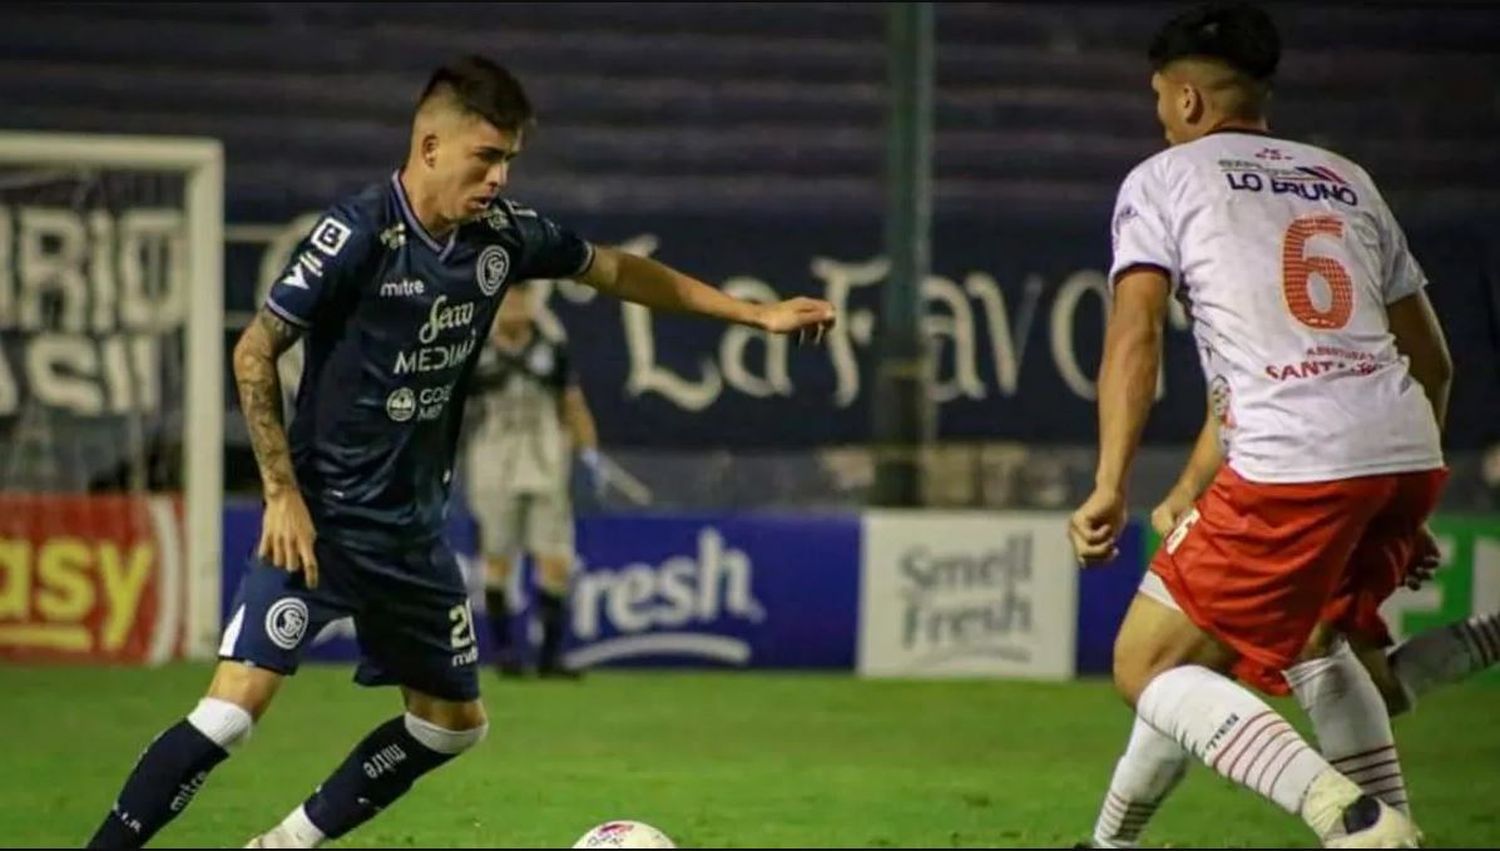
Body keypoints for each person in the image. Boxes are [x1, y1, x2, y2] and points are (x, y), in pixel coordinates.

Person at [85, 54, 834, 850]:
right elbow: (253, 351)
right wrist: (281, 491)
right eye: (487, 157)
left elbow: (616, 270)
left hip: (411, 537)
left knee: (451, 726)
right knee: (232, 711)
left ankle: (282, 845)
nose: (500, 178)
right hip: (320, 526)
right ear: (431, 145)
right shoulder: (357, 233)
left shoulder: (503, 239)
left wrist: (755, 316)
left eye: (509, 160)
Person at [1067, 3, 1452, 847]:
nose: (1162, 116)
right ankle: (1393, 825)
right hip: (1402, 441)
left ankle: (1347, 817)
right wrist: (1403, 493)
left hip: (1295, 459)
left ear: (1189, 101)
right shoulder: (1345, 177)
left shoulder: (1166, 177)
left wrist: (1108, 485)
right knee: (1322, 638)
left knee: (1151, 665)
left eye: (1161, 99)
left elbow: (1134, 342)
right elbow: (1434, 362)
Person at [1082, 400, 1499, 849]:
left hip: (1297, 483)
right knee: (1352, 674)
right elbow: (1429, 365)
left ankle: (1357, 822)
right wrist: (1402, 498)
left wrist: (1122, 484)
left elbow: (1147, 350)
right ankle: (1111, 842)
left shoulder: (1259, 339)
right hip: (1359, 467)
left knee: (1166, 663)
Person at [461, 280, 598, 679]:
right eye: (509, 302)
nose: (516, 310)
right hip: (492, 462)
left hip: (544, 463)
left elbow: (572, 404)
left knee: (554, 557)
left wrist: (588, 452)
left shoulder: (551, 350)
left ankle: (550, 657)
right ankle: (504, 653)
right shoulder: (475, 352)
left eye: (523, 301)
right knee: (497, 557)